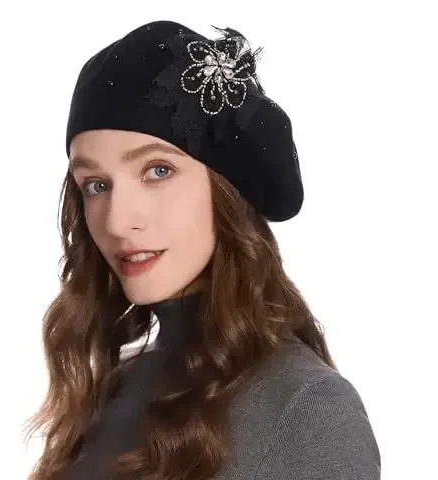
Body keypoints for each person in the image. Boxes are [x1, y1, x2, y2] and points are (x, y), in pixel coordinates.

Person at [24, 20, 381, 480]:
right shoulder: (118, 388)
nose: (116, 221)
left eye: (157, 171)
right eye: (96, 185)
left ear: (225, 187)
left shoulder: (307, 411)